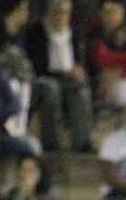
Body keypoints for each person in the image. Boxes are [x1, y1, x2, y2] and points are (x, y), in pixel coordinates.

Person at [23, 0, 94, 153]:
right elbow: (35, 64)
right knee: (50, 90)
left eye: (64, 13)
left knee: (81, 92)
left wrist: (79, 70)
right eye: (57, 12)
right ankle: (51, 143)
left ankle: (81, 143)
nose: (60, 17)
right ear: (49, 12)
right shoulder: (36, 32)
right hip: (44, 76)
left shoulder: (74, 33)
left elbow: (81, 61)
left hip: (69, 77)